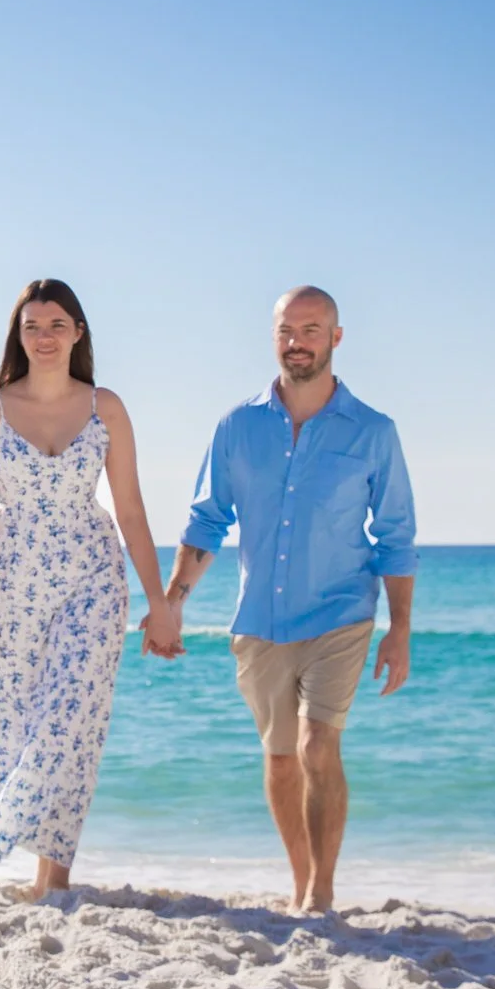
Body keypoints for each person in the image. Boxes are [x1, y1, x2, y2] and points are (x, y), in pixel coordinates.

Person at [164, 287, 416, 914]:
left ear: (336, 336)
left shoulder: (373, 432)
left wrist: (400, 628)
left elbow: (395, 535)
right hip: (260, 621)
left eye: (311, 328)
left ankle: (322, 891)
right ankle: (300, 879)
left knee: (316, 745)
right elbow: (206, 522)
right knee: (280, 764)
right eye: (286, 329)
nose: (297, 341)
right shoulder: (237, 427)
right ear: (273, 336)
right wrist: (173, 604)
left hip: (342, 614)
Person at [0, 279, 182, 900]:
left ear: (78, 333)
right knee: (11, 721)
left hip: (92, 580)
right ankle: (46, 878)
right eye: (32, 326)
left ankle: (53, 875)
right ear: (17, 336)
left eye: (57, 325)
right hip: (9, 585)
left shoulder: (106, 407)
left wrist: (161, 605)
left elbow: (130, 508)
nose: (45, 337)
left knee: (71, 720)